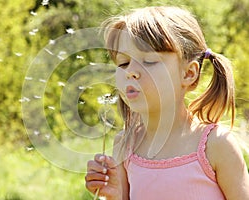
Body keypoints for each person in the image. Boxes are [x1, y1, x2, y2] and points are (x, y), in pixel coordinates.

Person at [84, 6, 249, 200]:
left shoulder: (216, 145)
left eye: (149, 61)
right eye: (123, 63)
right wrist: (113, 195)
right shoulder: (125, 144)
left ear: (188, 73)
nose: (131, 71)